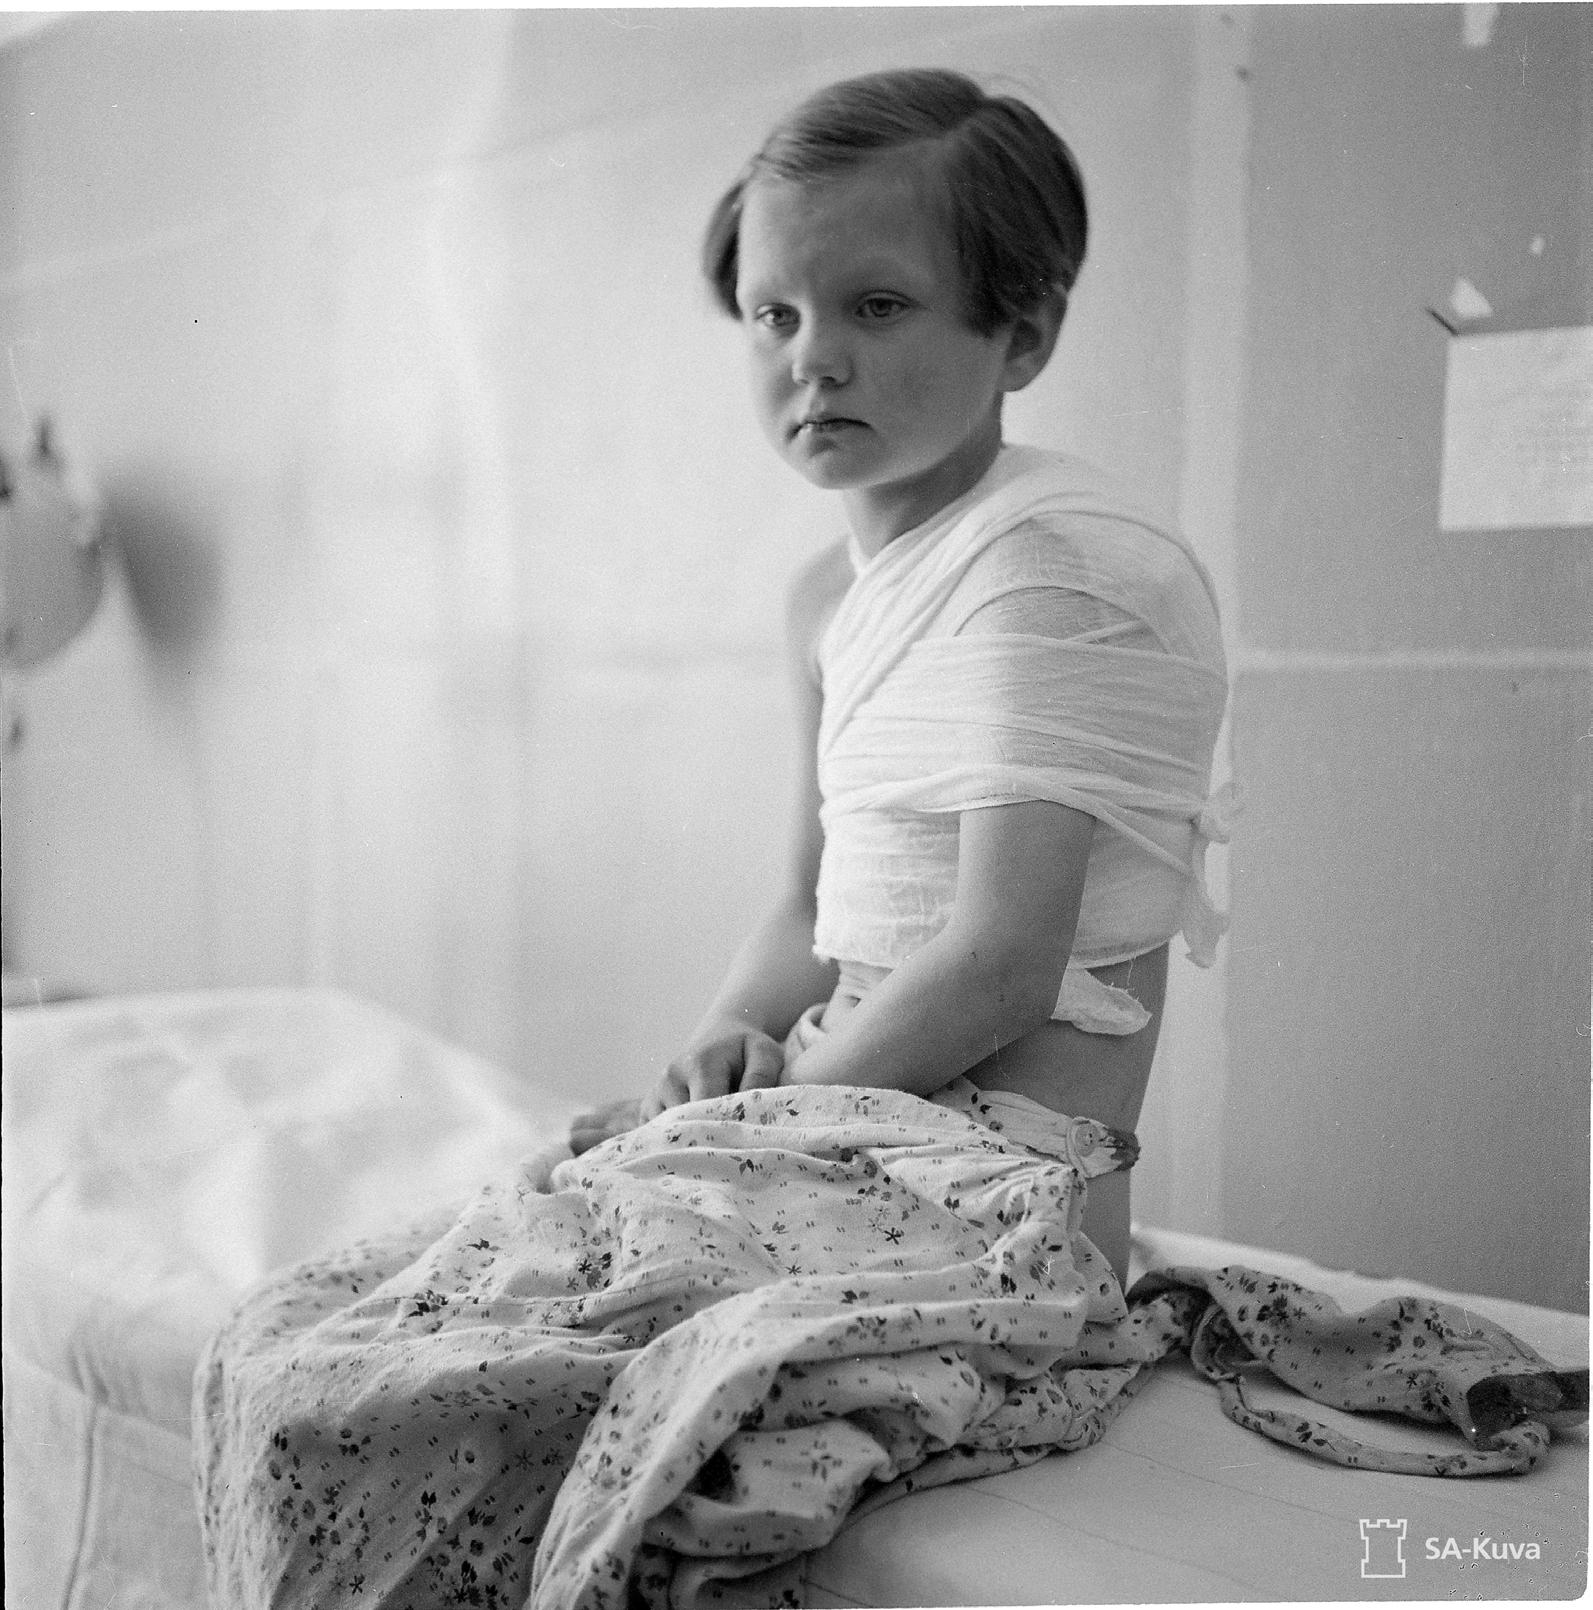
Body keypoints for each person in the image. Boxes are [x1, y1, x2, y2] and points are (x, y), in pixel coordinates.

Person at [571, 67, 1229, 1284]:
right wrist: (729, 1035)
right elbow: (810, 906)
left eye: (876, 306)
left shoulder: (1048, 572)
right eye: (775, 315)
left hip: (996, 1214)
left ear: (1022, 332)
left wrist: (751, 1127)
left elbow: (1000, 963)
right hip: (835, 1144)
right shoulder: (823, 597)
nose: (814, 358)